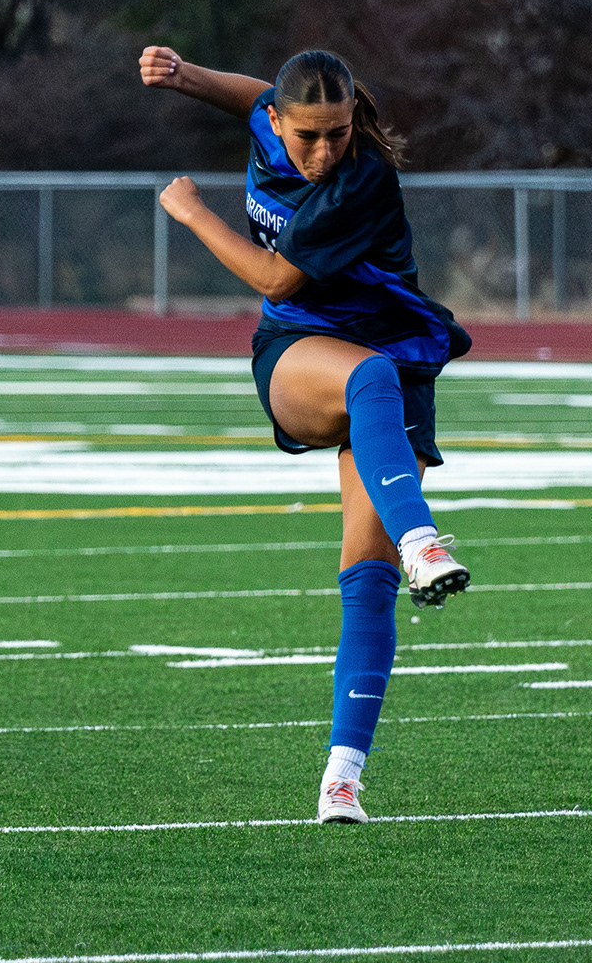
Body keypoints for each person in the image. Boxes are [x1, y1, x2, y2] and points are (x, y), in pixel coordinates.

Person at [140, 45, 473, 820]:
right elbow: (253, 96)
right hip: (300, 350)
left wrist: (190, 211)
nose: (324, 151)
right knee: (367, 377)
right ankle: (424, 541)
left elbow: (274, 274)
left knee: (369, 579)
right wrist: (188, 78)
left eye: (338, 133)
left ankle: (341, 779)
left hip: (399, 358)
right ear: (279, 122)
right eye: (308, 136)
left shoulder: (363, 178)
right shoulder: (269, 115)